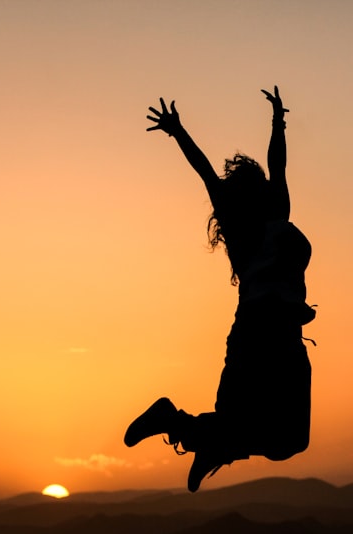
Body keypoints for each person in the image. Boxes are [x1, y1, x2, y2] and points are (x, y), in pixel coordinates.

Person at [125, 86, 315, 493]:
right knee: (253, 429)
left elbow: (277, 165)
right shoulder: (246, 228)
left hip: (286, 335)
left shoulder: (277, 213)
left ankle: (207, 444)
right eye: (260, 184)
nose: (269, 185)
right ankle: (176, 423)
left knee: (291, 439)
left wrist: (279, 120)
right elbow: (206, 171)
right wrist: (178, 132)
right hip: (256, 334)